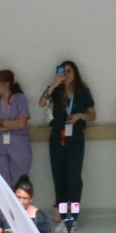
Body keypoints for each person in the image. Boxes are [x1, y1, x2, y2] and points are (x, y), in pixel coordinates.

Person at [40, 61, 94, 209]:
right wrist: (52, 85)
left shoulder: (83, 91)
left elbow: (92, 115)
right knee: (59, 176)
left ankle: (73, 216)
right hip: (57, 136)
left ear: (75, 72)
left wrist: (80, 116)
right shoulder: (55, 91)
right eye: (63, 71)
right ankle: (63, 213)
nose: (66, 74)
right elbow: (41, 102)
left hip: (75, 138)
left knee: (73, 177)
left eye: (69, 71)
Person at [0, 70, 32, 186]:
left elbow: (21, 124)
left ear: (6, 84)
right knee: (1, 183)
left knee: (19, 181)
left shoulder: (20, 99)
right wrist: (10, 125)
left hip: (18, 146)